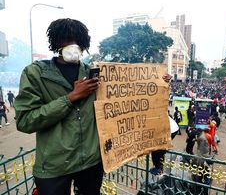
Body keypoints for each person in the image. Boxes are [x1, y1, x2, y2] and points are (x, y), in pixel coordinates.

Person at [14, 18, 172, 195]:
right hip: (54, 165)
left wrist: (158, 82)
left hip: (91, 163)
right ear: (56, 42)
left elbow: (130, 94)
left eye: (78, 42)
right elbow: (25, 121)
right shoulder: (35, 74)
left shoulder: (96, 73)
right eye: (67, 40)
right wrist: (70, 98)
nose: (73, 46)